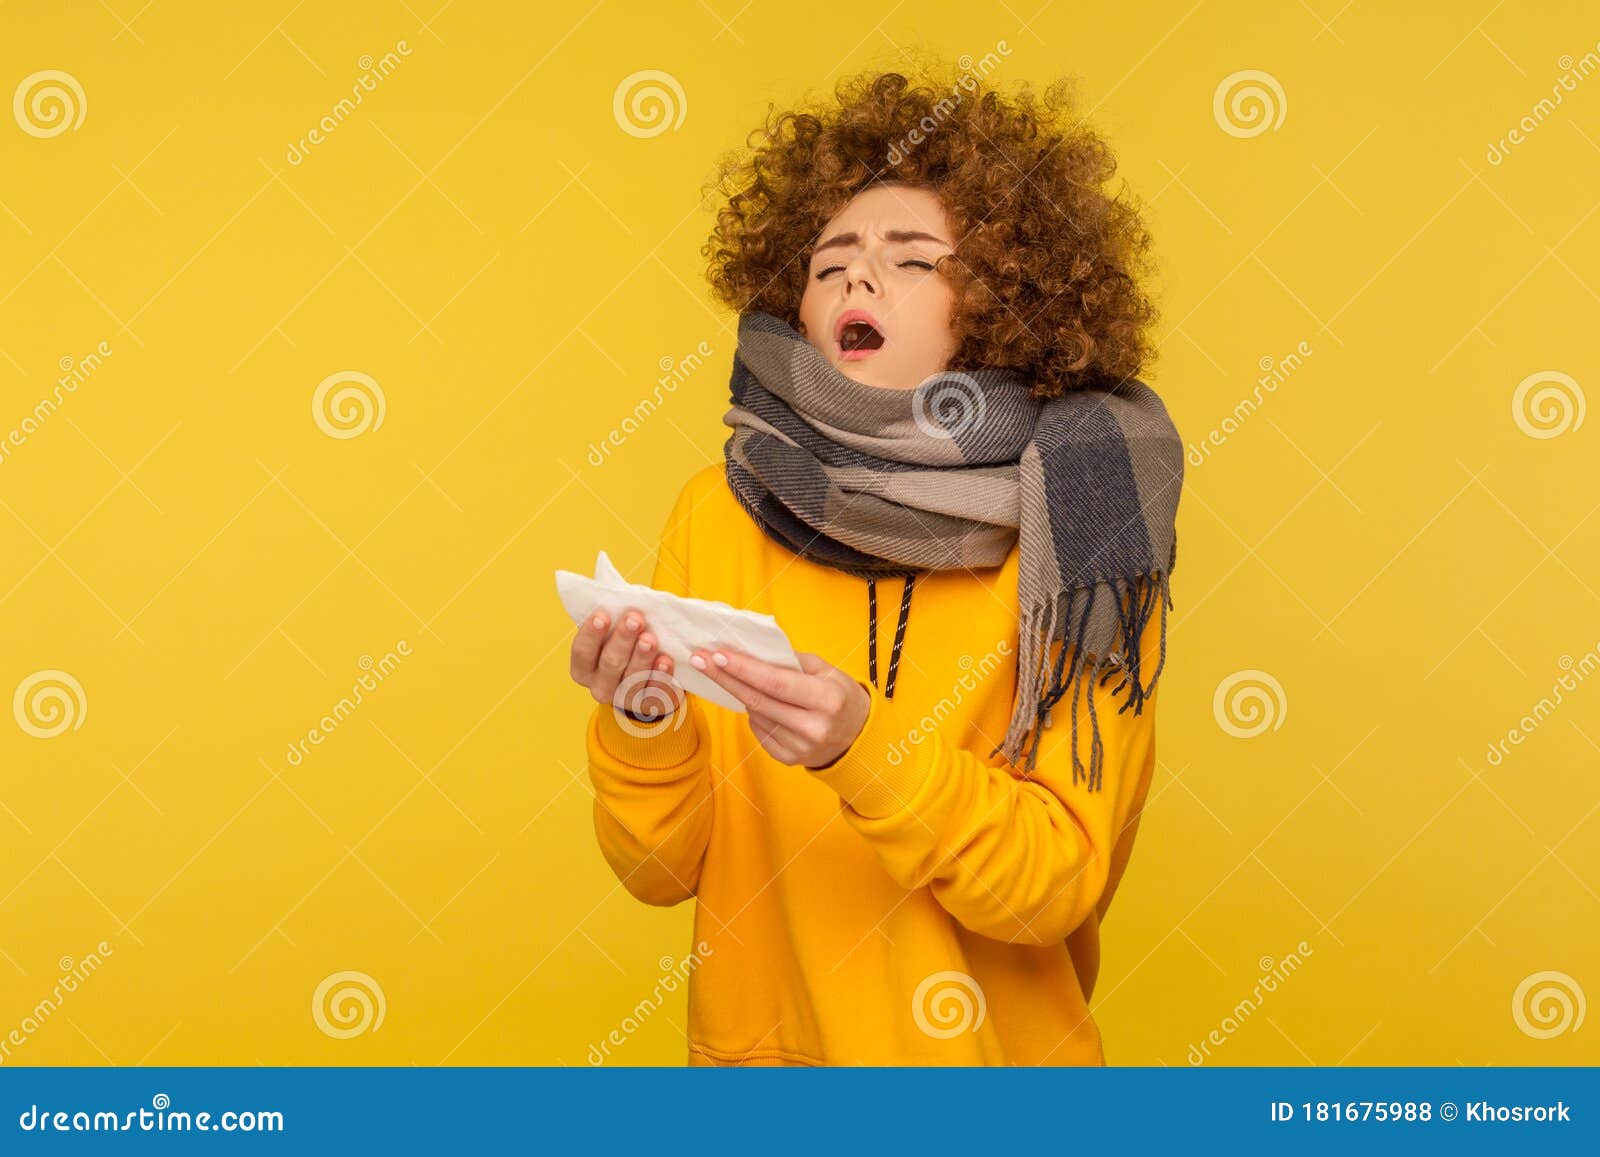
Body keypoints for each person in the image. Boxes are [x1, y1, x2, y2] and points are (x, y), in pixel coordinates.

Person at [567, 63, 1184, 1065]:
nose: (856, 278)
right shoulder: (718, 510)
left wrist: (862, 746)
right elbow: (658, 869)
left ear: (1002, 302)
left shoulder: (1087, 530)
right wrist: (644, 721)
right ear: (794, 307)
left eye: (910, 261)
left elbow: (1053, 879)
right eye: (829, 262)